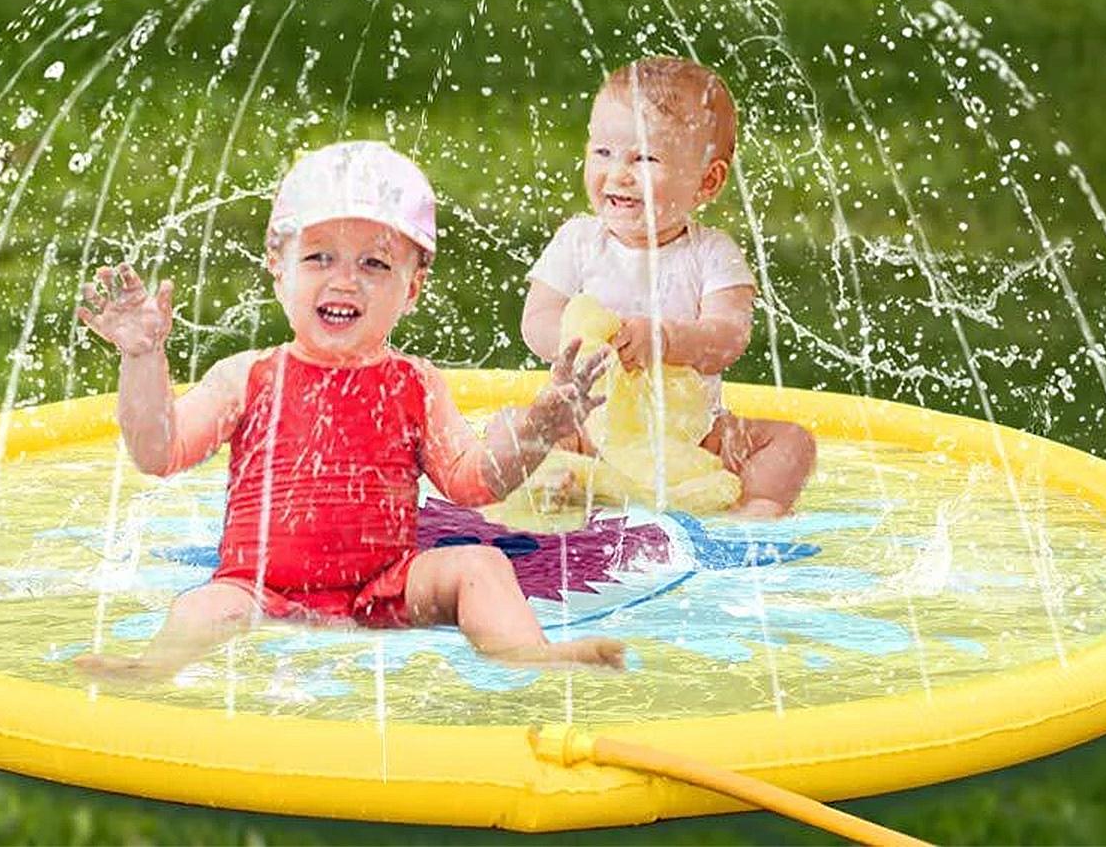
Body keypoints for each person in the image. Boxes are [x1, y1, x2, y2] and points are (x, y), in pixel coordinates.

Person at [76, 140, 624, 681]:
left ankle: (527, 656)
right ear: (277, 266)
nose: (344, 279)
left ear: (413, 287)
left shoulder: (415, 383)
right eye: (318, 257)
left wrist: (536, 433)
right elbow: (157, 452)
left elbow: (473, 481)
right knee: (203, 607)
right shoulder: (246, 376)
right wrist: (142, 355)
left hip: (384, 588)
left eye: (375, 263)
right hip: (257, 588)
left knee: (478, 565)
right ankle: (152, 672)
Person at [521, 58, 816, 518]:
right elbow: (536, 319)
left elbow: (728, 337)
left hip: (691, 437)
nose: (618, 173)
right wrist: (576, 346)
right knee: (525, 426)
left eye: (645, 159)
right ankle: (560, 480)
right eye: (602, 152)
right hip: (587, 423)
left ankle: (756, 510)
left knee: (793, 442)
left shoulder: (713, 254)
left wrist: (665, 340)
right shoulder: (578, 241)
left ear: (707, 180)